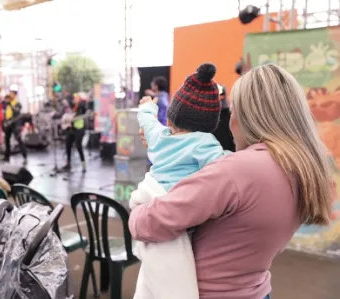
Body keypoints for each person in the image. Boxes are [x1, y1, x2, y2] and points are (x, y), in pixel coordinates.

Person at [129, 64, 333, 299]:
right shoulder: (301, 169)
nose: (229, 120)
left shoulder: (237, 172)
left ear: (247, 117)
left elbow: (145, 223)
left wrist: (140, 204)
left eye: (233, 111)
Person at [130, 63, 228, 299]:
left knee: (151, 278)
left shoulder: (160, 136)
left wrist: (146, 107)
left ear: (172, 118)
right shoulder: (205, 143)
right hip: (176, 212)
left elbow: (147, 120)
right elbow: (225, 168)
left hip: (150, 201)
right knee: (176, 280)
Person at [61, 93, 87, 173]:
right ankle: (68, 164)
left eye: (76, 98)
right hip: (71, 128)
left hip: (79, 129)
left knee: (79, 147)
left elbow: (81, 113)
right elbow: (68, 107)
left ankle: (83, 166)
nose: (74, 99)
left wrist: (73, 117)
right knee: (68, 145)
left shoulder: (82, 106)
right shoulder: (74, 105)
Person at [3, 91, 27, 163]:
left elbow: (17, 111)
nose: (10, 96)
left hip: (15, 124)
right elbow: (5, 114)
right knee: (7, 140)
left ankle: (24, 156)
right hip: (8, 124)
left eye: (12, 94)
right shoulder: (6, 105)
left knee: (19, 139)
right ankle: (7, 156)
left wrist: (10, 104)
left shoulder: (17, 104)